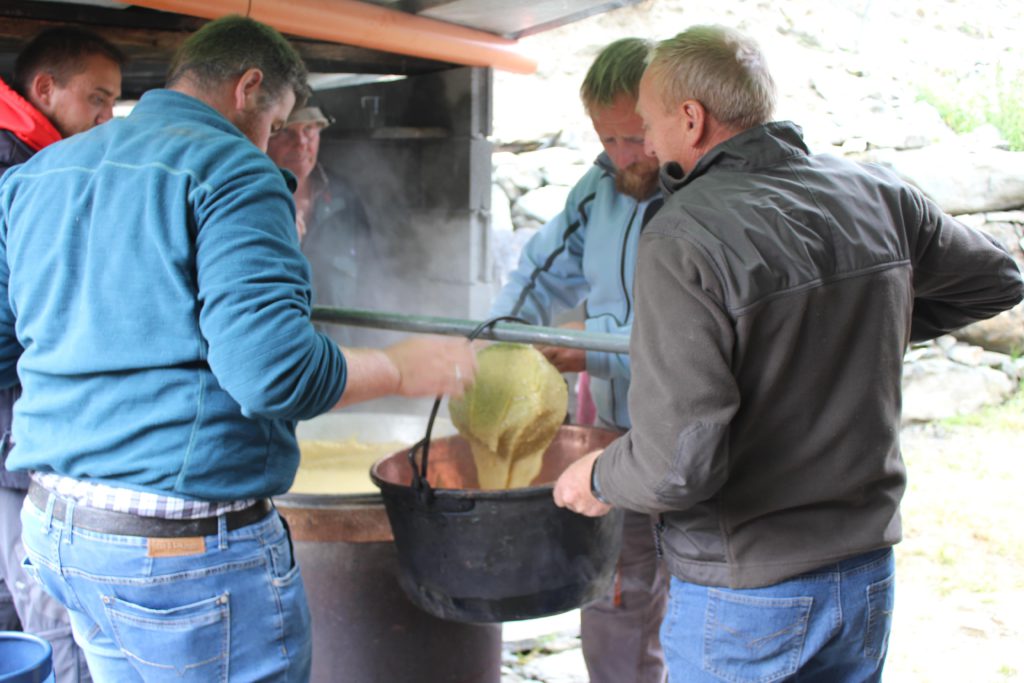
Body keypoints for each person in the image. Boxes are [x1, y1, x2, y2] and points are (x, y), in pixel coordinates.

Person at [0, 15, 475, 682]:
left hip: (57, 529)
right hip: (180, 552)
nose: (273, 140)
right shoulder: (234, 167)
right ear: (249, 88)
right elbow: (275, 373)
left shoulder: (40, 173)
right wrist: (400, 366)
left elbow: (3, 346)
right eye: (276, 120)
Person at [553, 24, 1024, 681]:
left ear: (691, 119)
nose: (648, 144)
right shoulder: (877, 194)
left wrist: (598, 476)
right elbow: (998, 277)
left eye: (650, 124)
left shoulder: (682, 234)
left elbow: (675, 463)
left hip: (744, 593)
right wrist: (855, 323)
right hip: (862, 575)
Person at [490, 37, 668, 683]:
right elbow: (542, 275)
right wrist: (494, 338)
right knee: (618, 599)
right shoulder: (601, 187)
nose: (623, 155)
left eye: (635, 136)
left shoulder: (709, 195)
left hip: (706, 442)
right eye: (606, 138)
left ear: (675, 115)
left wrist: (593, 344)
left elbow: (705, 333)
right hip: (623, 441)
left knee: (703, 608)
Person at [0, 26, 123, 683]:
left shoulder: (27, 153)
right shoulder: (22, 168)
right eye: (97, 100)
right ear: (44, 88)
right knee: (53, 613)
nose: (106, 118)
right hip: (19, 436)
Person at [267, 103, 375, 347]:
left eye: (309, 130)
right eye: (286, 132)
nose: (301, 143)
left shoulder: (344, 199)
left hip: (339, 362)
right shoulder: (248, 203)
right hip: (277, 364)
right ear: (265, 135)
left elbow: (372, 281)